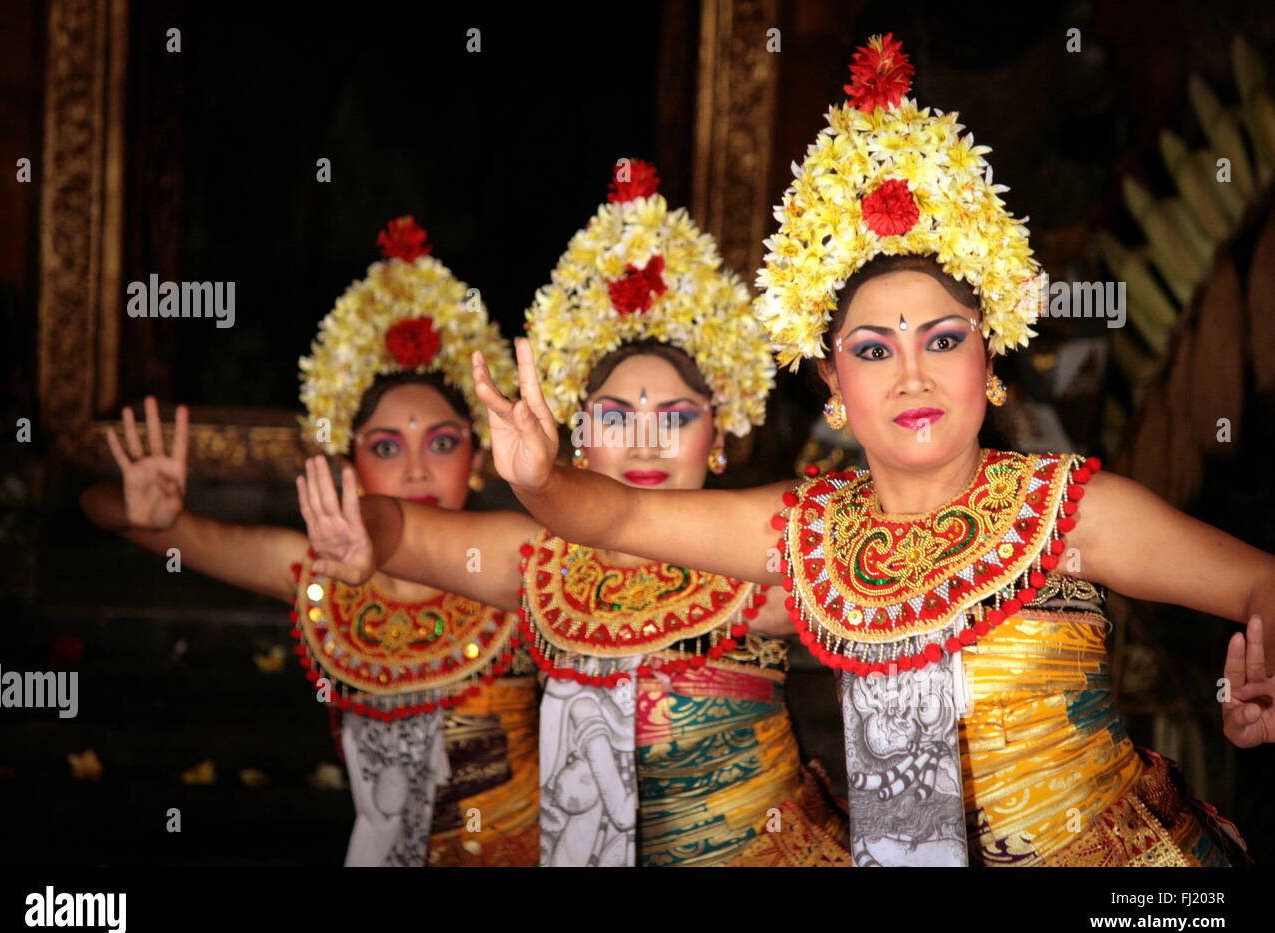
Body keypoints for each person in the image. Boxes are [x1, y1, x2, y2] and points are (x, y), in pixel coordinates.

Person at [468, 37, 1273, 866]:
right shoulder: (806, 531)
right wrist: (540, 477)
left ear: (988, 358)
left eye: (944, 339)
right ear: (832, 379)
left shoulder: (1073, 509)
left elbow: (1262, 585)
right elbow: (621, 514)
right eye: (875, 349)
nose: (912, 376)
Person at [299, 162, 852, 866]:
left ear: (719, 435)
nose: (646, 441)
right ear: (578, 438)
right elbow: (405, 528)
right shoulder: (543, 564)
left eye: (676, 417)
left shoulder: (756, 546)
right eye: (616, 417)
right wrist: (366, 530)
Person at [81, 216, 537, 866]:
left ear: (480, 458)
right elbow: (95, 509)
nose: (415, 470)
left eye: (441, 443)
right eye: (386, 446)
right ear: (350, 464)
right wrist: (139, 513)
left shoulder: (520, 563)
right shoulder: (317, 571)